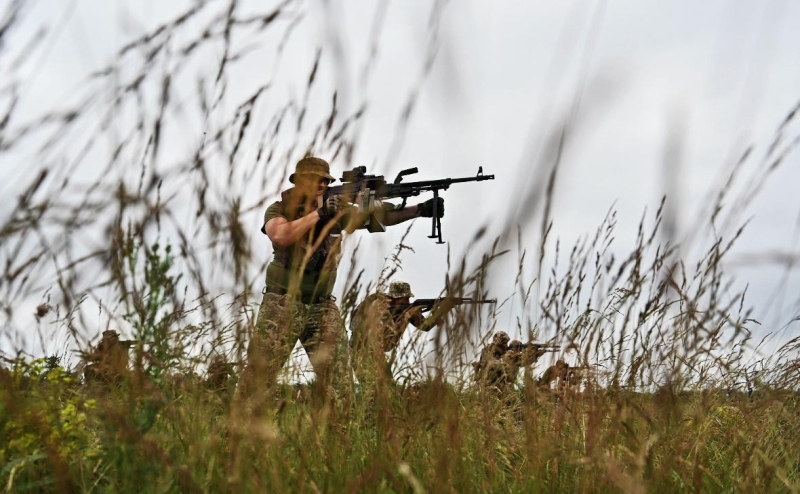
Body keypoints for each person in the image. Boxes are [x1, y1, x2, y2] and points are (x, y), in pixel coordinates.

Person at [240, 157, 444, 405]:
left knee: (340, 385)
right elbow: (281, 235)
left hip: (323, 307)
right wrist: (321, 213)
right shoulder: (279, 208)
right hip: (282, 303)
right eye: (314, 180)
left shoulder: (338, 210)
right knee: (259, 379)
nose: (320, 185)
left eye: (324, 181)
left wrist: (419, 210)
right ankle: (235, 436)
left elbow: (379, 217)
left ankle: (336, 435)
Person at [349, 281, 454, 386]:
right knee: (375, 393)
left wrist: (440, 311)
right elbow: (387, 345)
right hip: (361, 355)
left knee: (390, 390)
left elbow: (425, 326)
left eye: (408, 298)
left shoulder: (402, 308)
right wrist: (406, 317)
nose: (407, 302)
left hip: (376, 354)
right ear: (395, 297)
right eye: (405, 298)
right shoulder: (380, 308)